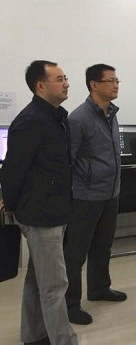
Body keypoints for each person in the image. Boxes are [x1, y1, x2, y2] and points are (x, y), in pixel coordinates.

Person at [0, 60, 78, 345]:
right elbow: (13, 169)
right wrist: (10, 202)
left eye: (65, 77)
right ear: (41, 86)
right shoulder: (32, 121)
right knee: (55, 286)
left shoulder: (55, 118)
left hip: (53, 210)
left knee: (38, 279)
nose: (66, 83)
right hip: (41, 215)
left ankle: (34, 336)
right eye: (60, 79)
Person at [63, 64, 126, 325]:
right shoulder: (79, 119)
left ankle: (99, 288)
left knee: (103, 245)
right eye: (110, 80)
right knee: (75, 252)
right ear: (94, 85)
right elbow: (68, 160)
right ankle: (70, 304)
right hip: (85, 195)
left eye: (117, 80)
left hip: (110, 192)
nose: (116, 84)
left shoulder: (111, 113)